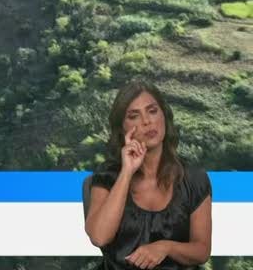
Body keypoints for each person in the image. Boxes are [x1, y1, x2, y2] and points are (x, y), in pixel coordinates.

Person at [84, 80, 212, 269]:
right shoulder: (107, 176)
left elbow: (201, 251)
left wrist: (166, 247)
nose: (146, 121)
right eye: (134, 116)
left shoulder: (194, 179)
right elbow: (100, 237)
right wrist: (127, 172)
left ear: (164, 116)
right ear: (123, 128)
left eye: (152, 111)